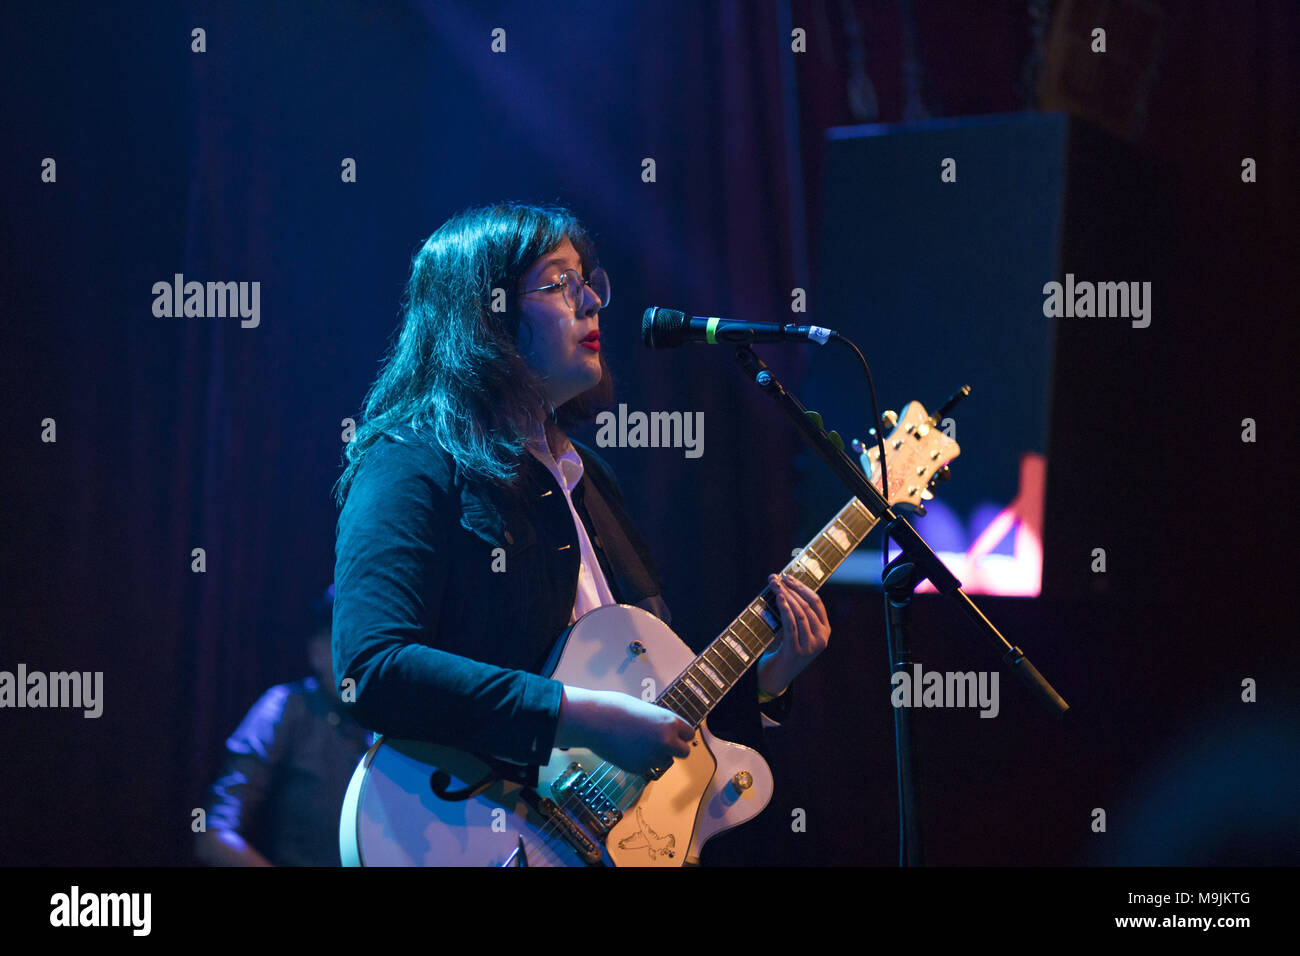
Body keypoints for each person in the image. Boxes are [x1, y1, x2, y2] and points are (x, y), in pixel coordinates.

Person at [331, 201, 829, 862]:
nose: (592, 300)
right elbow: (370, 669)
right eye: (561, 284)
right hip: (469, 833)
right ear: (486, 315)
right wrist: (577, 717)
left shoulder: (585, 476)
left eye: (589, 281)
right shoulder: (410, 461)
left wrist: (766, 681)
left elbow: (648, 704)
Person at [196, 589, 370, 866]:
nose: (361, 659)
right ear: (317, 651)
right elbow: (215, 836)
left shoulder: (391, 728)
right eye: (348, 642)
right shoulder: (286, 707)